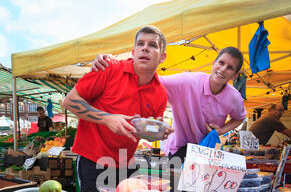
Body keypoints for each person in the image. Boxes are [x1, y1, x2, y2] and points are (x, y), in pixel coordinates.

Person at [63, 25, 173, 192]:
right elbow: (69, 101)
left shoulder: (160, 93)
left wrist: (158, 131)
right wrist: (107, 118)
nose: (145, 48)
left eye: (153, 45)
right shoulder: (109, 68)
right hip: (92, 160)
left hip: (124, 164)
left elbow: (143, 133)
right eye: (140, 44)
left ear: (163, 57)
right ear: (133, 51)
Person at [92, 46, 247, 164]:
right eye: (221, 63)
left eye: (230, 68)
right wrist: (114, 63)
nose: (223, 69)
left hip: (206, 154)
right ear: (214, 63)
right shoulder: (188, 82)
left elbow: (240, 117)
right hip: (179, 150)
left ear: (234, 75)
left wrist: (222, 130)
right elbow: (152, 79)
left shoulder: (234, 98)